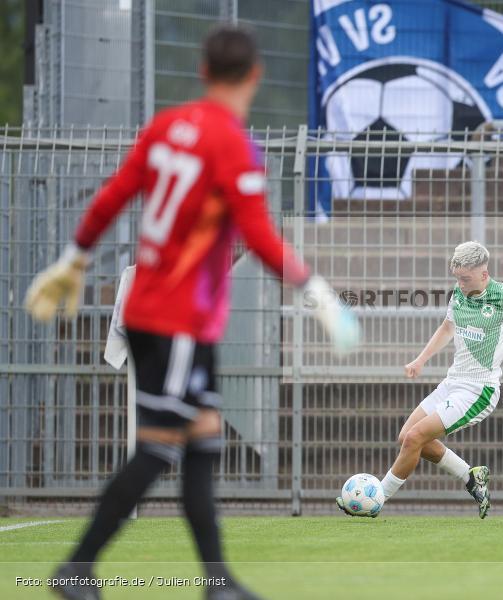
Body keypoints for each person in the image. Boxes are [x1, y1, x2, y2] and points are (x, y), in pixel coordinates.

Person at [25, 26, 357, 600]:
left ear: (202, 72)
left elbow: (111, 198)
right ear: (255, 75)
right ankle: (77, 568)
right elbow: (255, 230)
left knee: (203, 442)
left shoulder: (163, 129)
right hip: (177, 319)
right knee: (158, 447)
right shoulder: (231, 143)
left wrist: (74, 260)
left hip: (160, 312)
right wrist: (317, 291)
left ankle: (217, 581)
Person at [338, 241, 503, 518]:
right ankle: (470, 476)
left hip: (479, 390)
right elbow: (447, 327)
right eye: (457, 278)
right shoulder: (459, 293)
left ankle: (376, 500)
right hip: (452, 382)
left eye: (465, 278)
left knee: (415, 437)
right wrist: (420, 360)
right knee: (406, 436)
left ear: (484, 274)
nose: (460, 284)